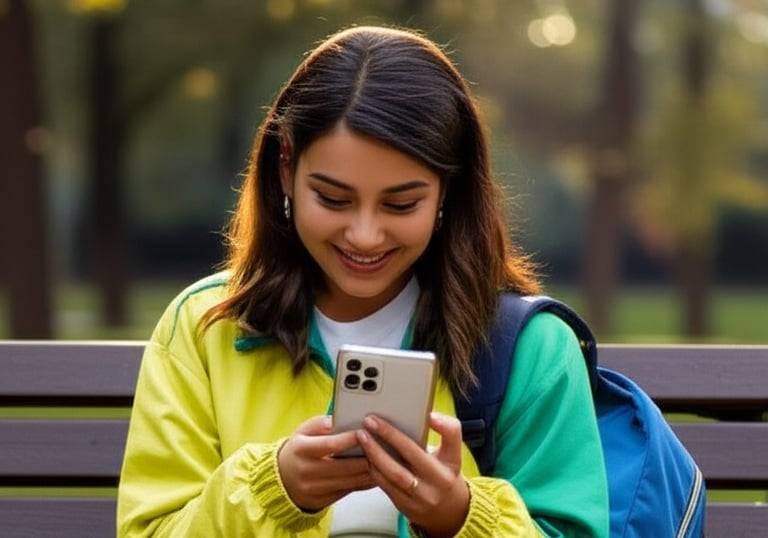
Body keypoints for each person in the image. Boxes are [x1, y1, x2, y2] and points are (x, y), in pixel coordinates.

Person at [117, 25, 609, 537]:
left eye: (401, 204)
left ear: (449, 189)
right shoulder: (203, 330)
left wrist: (461, 517)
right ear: (286, 167)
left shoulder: (530, 349)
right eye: (333, 199)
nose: (365, 236)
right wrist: (272, 489)